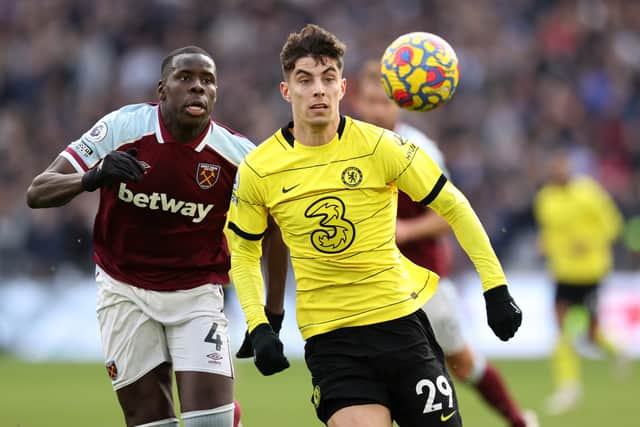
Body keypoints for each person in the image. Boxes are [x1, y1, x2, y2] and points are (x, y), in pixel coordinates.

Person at [227, 24, 522, 427]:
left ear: (342, 88)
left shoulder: (382, 147)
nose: (318, 89)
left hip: (401, 326)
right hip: (333, 342)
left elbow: (454, 205)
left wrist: (496, 287)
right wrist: (260, 324)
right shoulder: (259, 168)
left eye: (328, 79)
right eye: (305, 79)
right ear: (286, 91)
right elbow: (244, 250)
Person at [26, 45, 286, 427]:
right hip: (123, 291)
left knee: (208, 424)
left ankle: (226, 416)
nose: (198, 88)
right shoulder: (122, 128)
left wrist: (273, 314)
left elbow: (276, 229)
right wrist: (93, 176)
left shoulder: (239, 157)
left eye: (208, 81)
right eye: (186, 78)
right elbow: (38, 190)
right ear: (161, 89)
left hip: (196, 293)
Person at [354, 59, 538, 427]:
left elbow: (446, 215)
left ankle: (518, 420)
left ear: (399, 103)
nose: (376, 110)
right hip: (370, 280)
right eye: (370, 101)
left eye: (383, 102)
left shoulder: (419, 149)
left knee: (461, 363)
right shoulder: (347, 146)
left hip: (424, 279)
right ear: (358, 101)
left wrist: (405, 232)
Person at [533, 148, 624, 415]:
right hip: (563, 272)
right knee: (561, 328)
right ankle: (569, 388)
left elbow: (613, 224)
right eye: (554, 168)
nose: (558, 172)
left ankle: (617, 349)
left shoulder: (588, 192)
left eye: (562, 167)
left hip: (590, 271)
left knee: (590, 335)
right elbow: (550, 231)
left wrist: (590, 241)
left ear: (570, 168)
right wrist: (544, 244)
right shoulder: (545, 198)